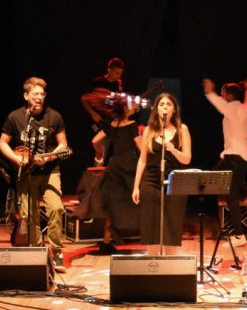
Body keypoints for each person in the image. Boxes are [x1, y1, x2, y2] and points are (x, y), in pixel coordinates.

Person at [0, 77, 69, 272]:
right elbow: (2, 143)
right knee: (29, 215)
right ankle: (38, 251)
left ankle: (56, 252)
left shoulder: (54, 116)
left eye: (42, 94)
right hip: (26, 173)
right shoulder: (15, 117)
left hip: (50, 172)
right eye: (35, 94)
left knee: (56, 209)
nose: (39, 97)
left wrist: (49, 157)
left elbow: (63, 144)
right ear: (26, 96)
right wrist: (15, 158)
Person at [132, 92, 192, 255]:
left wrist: (174, 150)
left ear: (174, 109)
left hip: (174, 181)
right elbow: (142, 160)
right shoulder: (149, 130)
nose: (165, 107)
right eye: (161, 104)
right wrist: (136, 186)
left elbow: (187, 159)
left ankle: (170, 264)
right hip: (151, 180)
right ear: (156, 109)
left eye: (169, 104)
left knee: (172, 225)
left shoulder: (182, 129)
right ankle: (153, 263)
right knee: (151, 225)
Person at [203, 78, 247, 247]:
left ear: (229, 95)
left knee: (228, 193)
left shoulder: (230, 108)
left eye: (223, 92)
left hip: (234, 156)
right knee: (225, 187)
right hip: (242, 156)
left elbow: (217, 102)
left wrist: (209, 92)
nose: (222, 95)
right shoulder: (245, 108)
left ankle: (239, 235)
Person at [91, 100, 142, 254]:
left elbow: (94, 140)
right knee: (136, 200)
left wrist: (99, 153)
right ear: (125, 108)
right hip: (128, 167)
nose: (134, 106)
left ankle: (106, 241)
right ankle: (145, 234)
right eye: (131, 105)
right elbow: (141, 147)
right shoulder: (132, 125)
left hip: (114, 167)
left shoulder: (112, 125)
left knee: (113, 205)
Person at [81, 57, 125, 132]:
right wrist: (92, 113)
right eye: (117, 73)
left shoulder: (119, 85)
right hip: (94, 118)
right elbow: (83, 99)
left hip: (106, 122)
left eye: (120, 74)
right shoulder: (97, 82)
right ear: (109, 70)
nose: (119, 76)